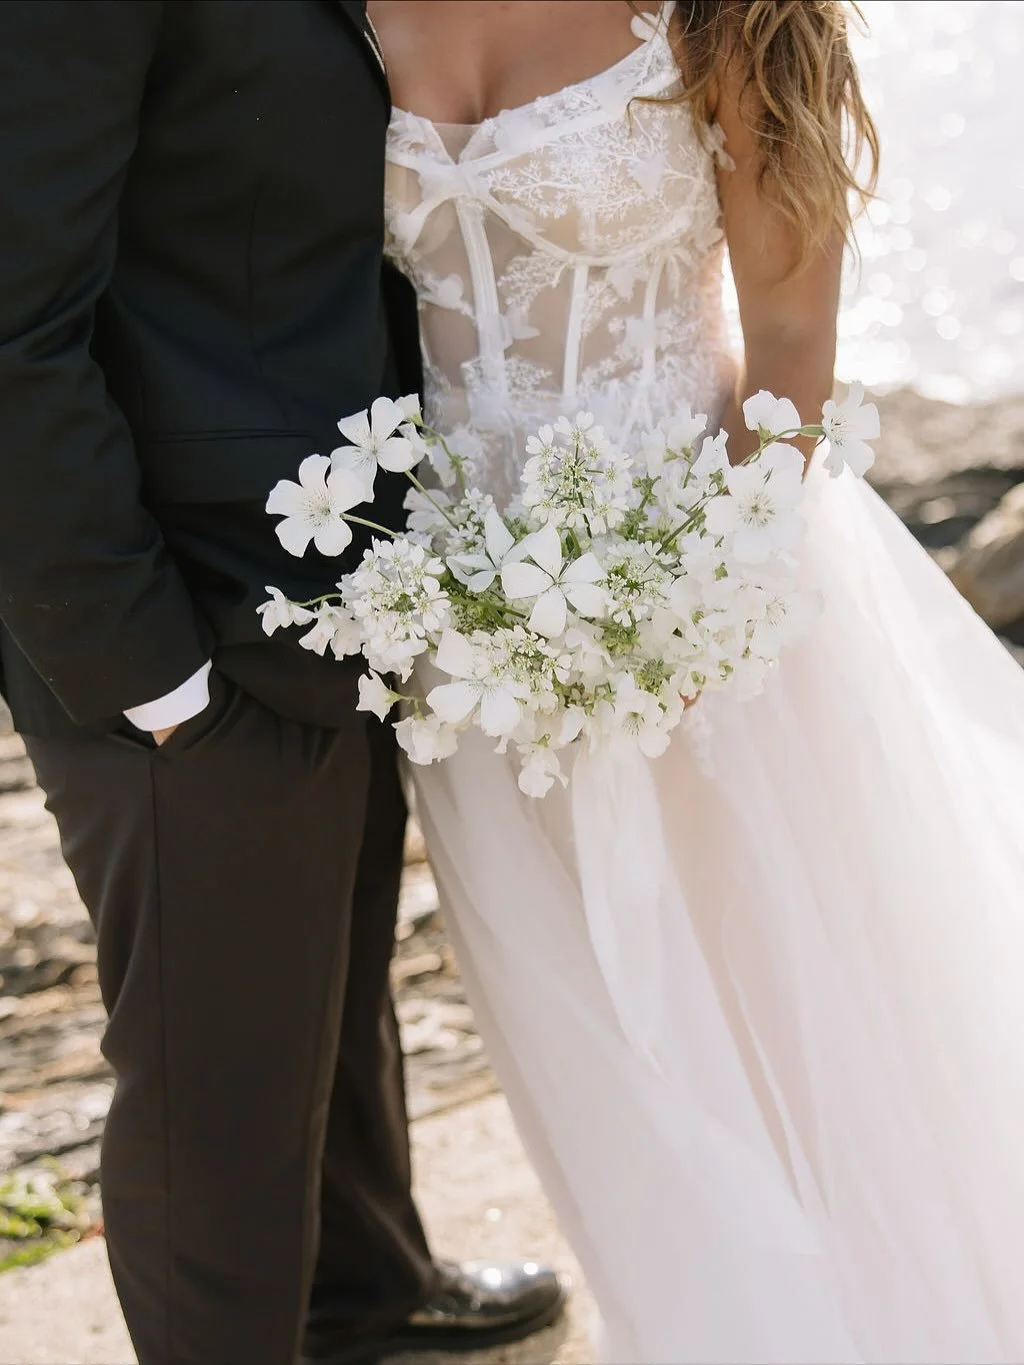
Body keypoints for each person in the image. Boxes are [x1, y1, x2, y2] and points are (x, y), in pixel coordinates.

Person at [371, 0, 1024, 1360]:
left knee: (799, 1026)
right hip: (472, 632)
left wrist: (688, 611)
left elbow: (791, 352)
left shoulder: (728, 14)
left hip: (714, 608)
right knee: (597, 1046)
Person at [0, 5, 565, 1364]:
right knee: (217, 1089)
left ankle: (366, 1295)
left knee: (330, 965)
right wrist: (152, 674)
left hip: (334, 564)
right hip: (174, 600)